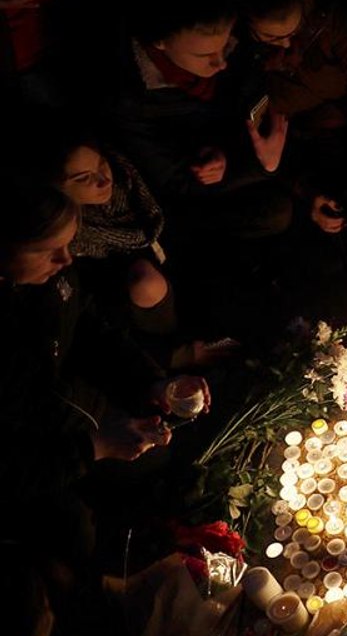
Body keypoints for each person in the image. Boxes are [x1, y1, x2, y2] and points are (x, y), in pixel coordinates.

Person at [0, 185, 211, 570]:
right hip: (44, 459)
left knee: (172, 451)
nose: (66, 259)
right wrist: (92, 448)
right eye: (48, 250)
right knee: (83, 535)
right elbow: (4, 468)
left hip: (79, 406)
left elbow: (93, 329)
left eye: (68, 245)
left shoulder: (49, 277)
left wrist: (153, 382)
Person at [108, 0, 291, 250]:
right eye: (204, 55)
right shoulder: (130, 96)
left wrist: (231, 150)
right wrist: (259, 166)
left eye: (223, 46)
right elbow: (174, 182)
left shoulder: (232, 46)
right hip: (190, 193)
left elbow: (256, 103)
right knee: (274, 213)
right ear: (160, 42)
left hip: (234, 157)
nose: (220, 62)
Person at [234, 0, 347, 236]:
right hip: (296, 145)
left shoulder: (327, 21)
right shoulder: (239, 58)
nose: (287, 44)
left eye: (293, 32)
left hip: (346, 126)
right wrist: (308, 191)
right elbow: (259, 140)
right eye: (271, 36)